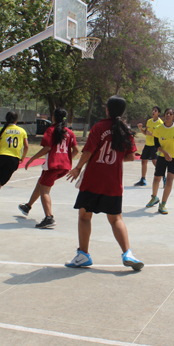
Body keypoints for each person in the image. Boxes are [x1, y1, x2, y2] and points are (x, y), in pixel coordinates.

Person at [65, 96, 143, 270]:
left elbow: (88, 151)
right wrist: (115, 159)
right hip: (113, 182)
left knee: (85, 216)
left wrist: (77, 168)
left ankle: (83, 255)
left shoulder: (99, 127)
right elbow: (131, 156)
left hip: (93, 180)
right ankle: (128, 253)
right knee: (116, 219)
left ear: (107, 110)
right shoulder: (125, 129)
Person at [19, 108, 78, 228]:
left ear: (54, 117)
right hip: (64, 167)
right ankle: (28, 206)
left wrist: (32, 159)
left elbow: (47, 148)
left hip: (53, 165)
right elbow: (76, 150)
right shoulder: (69, 132)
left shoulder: (51, 130)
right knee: (41, 183)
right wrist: (66, 159)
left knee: (44, 190)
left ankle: (49, 218)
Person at [146, 108, 174, 215]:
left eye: (171, 114)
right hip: (162, 157)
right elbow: (157, 145)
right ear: (164, 115)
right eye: (167, 113)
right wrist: (165, 153)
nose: (168, 115)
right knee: (157, 179)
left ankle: (163, 204)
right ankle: (154, 197)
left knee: (169, 180)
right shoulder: (158, 128)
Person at [134, 106, 163, 186]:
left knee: (155, 162)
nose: (153, 112)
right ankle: (143, 180)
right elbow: (146, 133)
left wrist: (153, 134)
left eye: (155, 110)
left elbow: (161, 136)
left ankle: (164, 177)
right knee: (143, 161)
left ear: (159, 113)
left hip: (155, 145)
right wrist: (140, 128)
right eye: (153, 110)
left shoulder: (160, 123)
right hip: (147, 144)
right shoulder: (149, 121)